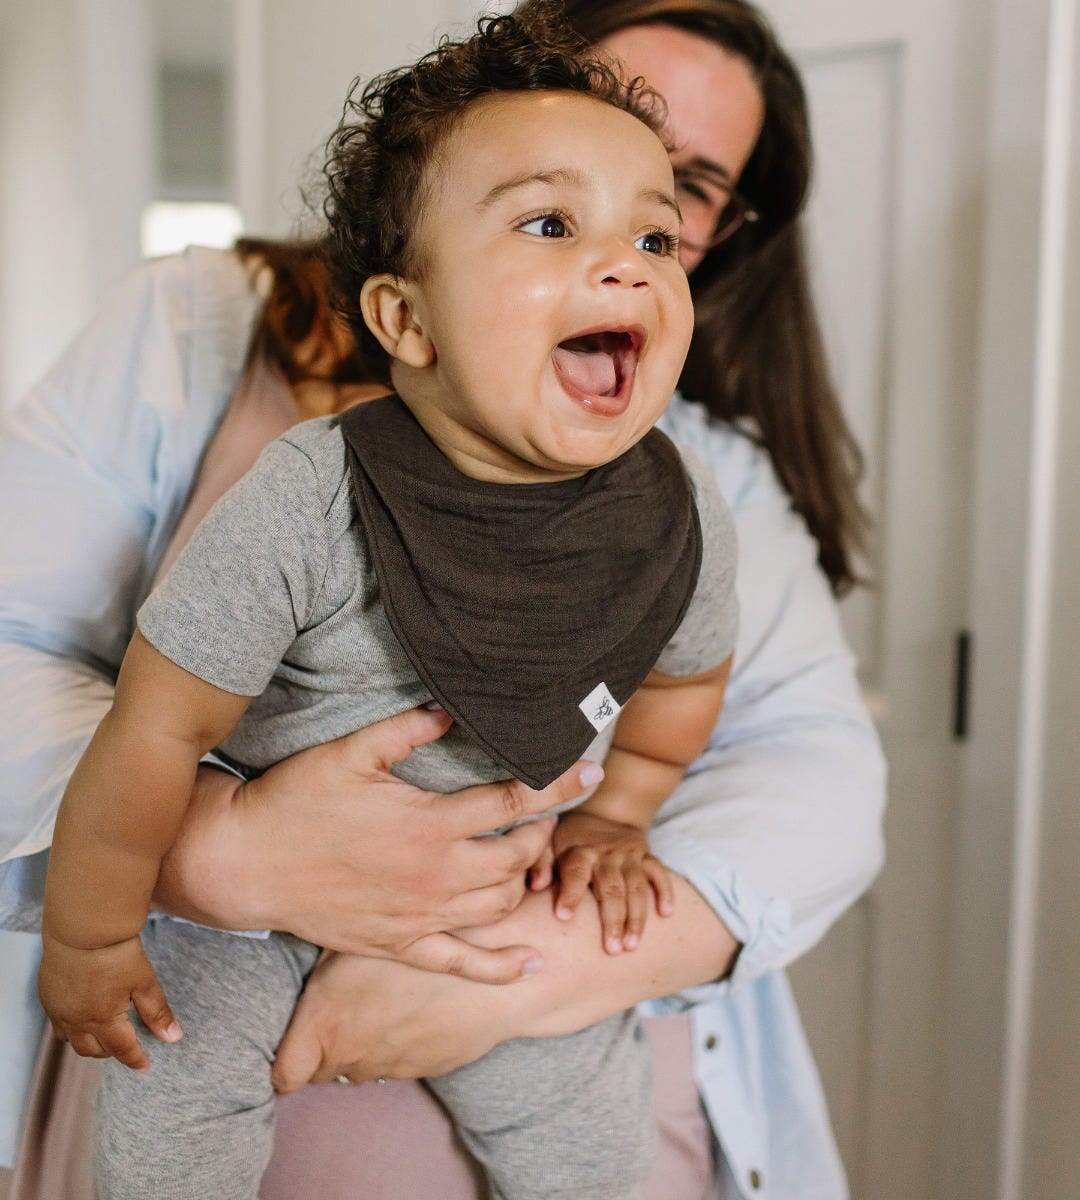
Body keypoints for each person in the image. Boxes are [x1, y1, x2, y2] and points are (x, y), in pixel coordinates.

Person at [0, 1, 885, 1198]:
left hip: (512, 943)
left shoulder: (692, 493)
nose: (619, 251)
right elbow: (137, 705)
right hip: (229, 947)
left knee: (590, 1132)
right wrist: (193, 870)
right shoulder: (272, 433)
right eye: (554, 210)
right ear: (404, 308)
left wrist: (592, 862)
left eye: (667, 206)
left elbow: (799, 756)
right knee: (175, 1099)